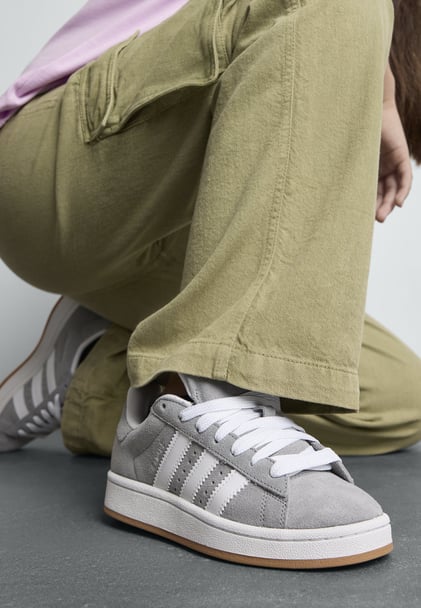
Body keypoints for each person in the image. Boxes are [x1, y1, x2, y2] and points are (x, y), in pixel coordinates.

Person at [0, 0, 419, 569]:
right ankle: (204, 392)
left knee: (399, 396)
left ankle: (99, 373)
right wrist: (380, 83)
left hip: (173, 239)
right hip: (58, 169)